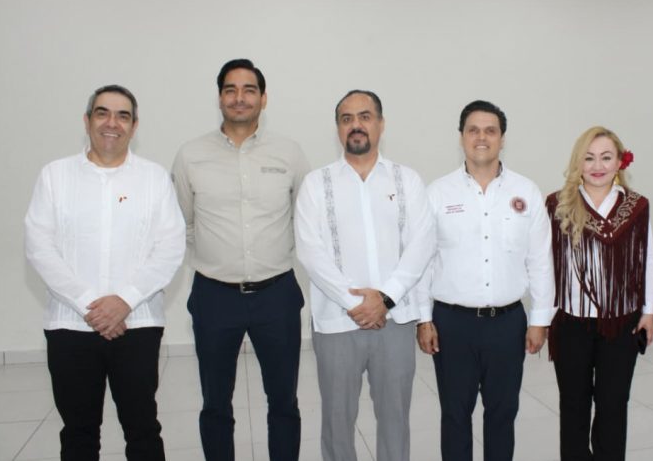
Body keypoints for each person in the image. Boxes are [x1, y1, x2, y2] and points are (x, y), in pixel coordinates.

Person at [25, 85, 185, 460]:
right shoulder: (55, 176)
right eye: (102, 113)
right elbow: (39, 248)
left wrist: (124, 301)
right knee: (78, 434)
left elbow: (170, 248)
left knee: (143, 430)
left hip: (138, 324)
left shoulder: (154, 178)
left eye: (122, 115)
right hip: (70, 326)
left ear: (134, 126)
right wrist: (90, 305)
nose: (112, 123)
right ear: (87, 120)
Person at [171, 59, 309, 461]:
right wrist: (218, 256)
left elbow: (305, 218)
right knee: (215, 403)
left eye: (249, 90)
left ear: (263, 99)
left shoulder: (289, 153)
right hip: (214, 296)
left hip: (277, 295)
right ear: (219, 98)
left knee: (284, 401)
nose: (239, 98)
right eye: (230, 90)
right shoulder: (191, 155)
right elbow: (184, 222)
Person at [294, 90, 435, 461]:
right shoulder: (316, 184)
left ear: (381, 124)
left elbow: (422, 245)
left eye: (365, 116)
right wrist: (355, 302)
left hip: (395, 320)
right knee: (337, 423)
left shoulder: (407, 180)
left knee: (395, 420)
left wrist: (385, 299)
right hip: (337, 322)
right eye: (347, 119)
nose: (356, 125)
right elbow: (310, 251)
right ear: (338, 129)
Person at [416, 100, 554, 461]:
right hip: (452, 324)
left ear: (502, 138)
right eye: (473, 130)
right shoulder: (437, 193)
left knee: (502, 414)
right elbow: (421, 262)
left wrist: (540, 320)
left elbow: (541, 261)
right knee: (454, 415)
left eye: (490, 130)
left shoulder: (526, 192)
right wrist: (423, 319)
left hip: (507, 324)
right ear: (461, 137)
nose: (482, 137)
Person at [545, 126, 653, 461]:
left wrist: (649, 310)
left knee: (613, 405)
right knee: (573, 406)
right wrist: (542, 316)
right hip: (571, 322)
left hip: (620, 324)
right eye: (589, 158)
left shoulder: (636, 207)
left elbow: (648, 259)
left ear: (620, 162)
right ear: (578, 162)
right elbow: (544, 263)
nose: (597, 166)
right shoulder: (558, 205)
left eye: (606, 157)